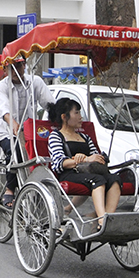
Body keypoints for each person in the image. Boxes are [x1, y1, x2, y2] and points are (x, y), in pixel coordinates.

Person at [47, 97, 121, 230]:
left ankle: (108, 218)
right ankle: (102, 221)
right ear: (64, 117)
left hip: (88, 172)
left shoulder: (85, 137)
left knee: (114, 179)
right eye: (77, 113)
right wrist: (81, 159)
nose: (81, 117)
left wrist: (97, 158)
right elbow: (58, 163)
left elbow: (95, 157)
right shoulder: (56, 136)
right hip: (69, 173)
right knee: (97, 180)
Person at [0, 57, 55, 208]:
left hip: (30, 131)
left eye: (19, 66)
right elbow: (4, 110)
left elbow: (49, 104)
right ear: (5, 70)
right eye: (11, 67)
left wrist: (59, 120)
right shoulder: (1, 86)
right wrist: (13, 123)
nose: (16, 71)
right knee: (15, 152)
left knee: (45, 154)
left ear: (24, 66)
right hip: (6, 131)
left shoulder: (36, 81)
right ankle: (10, 189)